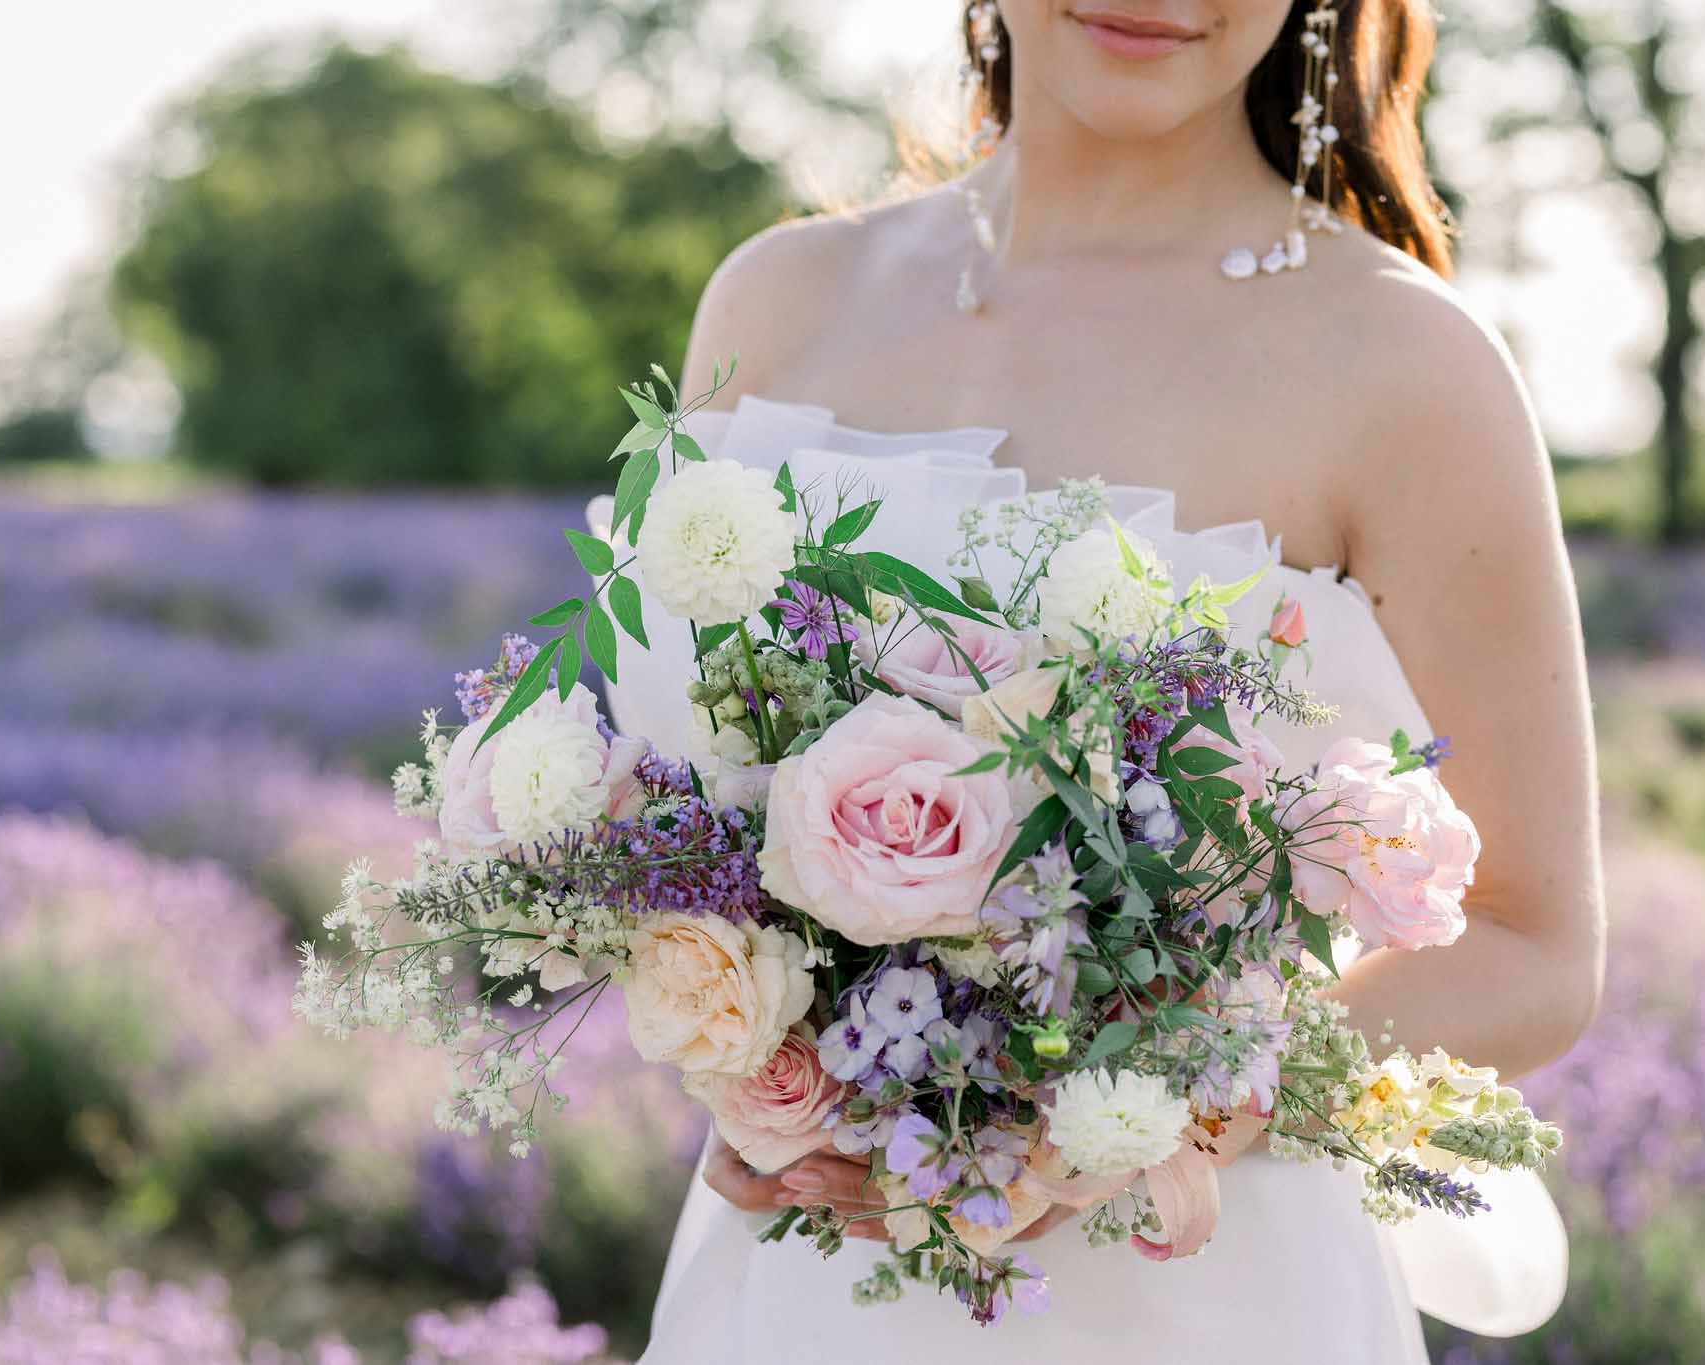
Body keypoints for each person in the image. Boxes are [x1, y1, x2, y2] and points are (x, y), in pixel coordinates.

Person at [598, 3, 1604, 1359]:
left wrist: (1147, 1106)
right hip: (813, 1282)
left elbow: (1535, 943)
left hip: (1203, 1292)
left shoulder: (1407, 366)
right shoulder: (780, 302)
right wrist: (753, 1057)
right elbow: (679, 801)